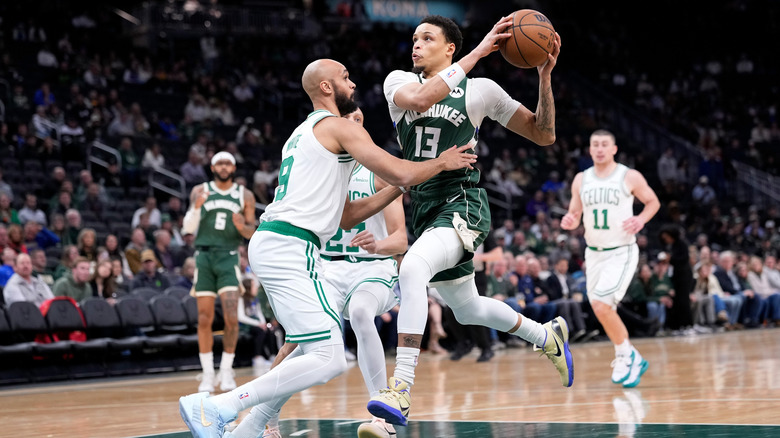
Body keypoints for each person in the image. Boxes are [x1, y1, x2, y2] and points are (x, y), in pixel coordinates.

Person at [179, 58, 476, 438]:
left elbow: (347, 216)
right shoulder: (336, 126)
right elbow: (402, 171)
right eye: (345, 78)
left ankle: (247, 430)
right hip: (291, 246)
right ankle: (217, 406)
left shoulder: (303, 133)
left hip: (279, 244)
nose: (352, 85)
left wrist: (399, 188)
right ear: (325, 87)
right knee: (329, 356)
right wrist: (441, 162)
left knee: (309, 352)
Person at [368, 14, 569, 427]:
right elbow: (421, 102)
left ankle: (400, 390)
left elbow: (543, 134)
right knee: (467, 308)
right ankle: (545, 336)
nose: (417, 45)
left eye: (427, 38)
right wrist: (481, 51)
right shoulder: (396, 81)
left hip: (463, 201)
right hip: (423, 205)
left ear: (449, 48)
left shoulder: (481, 91)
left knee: (413, 267)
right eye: (414, 38)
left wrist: (544, 77)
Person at [232, 107, 410, 438]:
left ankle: (381, 416)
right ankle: (265, 421)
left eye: (358, 120)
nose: (352, 125)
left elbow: (400, 239)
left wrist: (378, 244)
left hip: (371, 268)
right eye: (346, 120)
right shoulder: (321, 169)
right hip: (325, 266)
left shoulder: (376, 173)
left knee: (359, 313)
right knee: (299, 344)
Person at [561, 129, 660, 388]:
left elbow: (652, 202)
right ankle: (630, 355)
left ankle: (626, 355)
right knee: (600, 308)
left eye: (605, 144)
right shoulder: (581, 179)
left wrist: (640, 219)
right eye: (595, 145)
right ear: (590, 149)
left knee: (603, 305)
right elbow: (574, 215)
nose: (600, 149)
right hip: (593, 254)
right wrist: (570, 221)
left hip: (621, 251)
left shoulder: (628, 176)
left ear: (614, 149)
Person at [180, 151, 257, 394]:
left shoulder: (244, 194)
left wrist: (241, 226)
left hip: (229, 257)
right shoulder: (199, 190)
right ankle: (207, 373)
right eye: (219, 163)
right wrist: (196, 208)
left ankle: (226, 370)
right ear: (213, 167)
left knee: (232, 317)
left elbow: (251, 232)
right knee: (204, 318)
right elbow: (187, 229)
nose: (224, 167)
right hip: (203, 257)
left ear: (233, 167)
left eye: (228, 163)